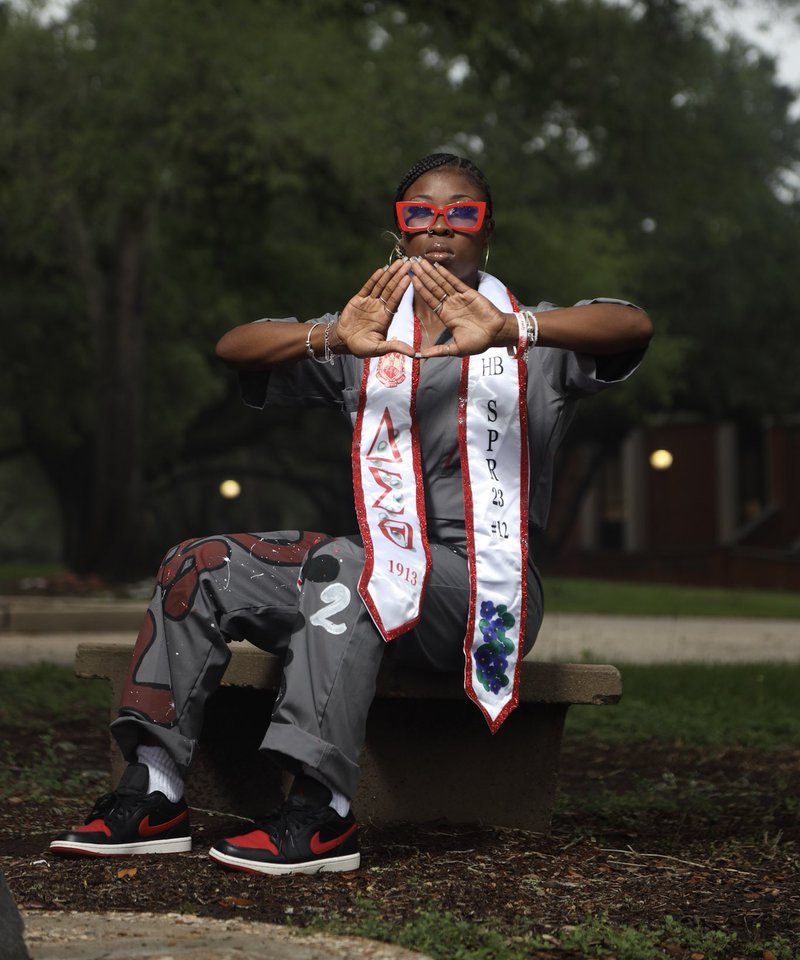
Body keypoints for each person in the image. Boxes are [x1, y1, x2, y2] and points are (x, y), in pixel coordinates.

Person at [50, 152, 653, 875]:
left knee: (349, 565)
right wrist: (329, 337)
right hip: (371, 568)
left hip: (480, 589)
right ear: (399, 233)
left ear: (487, 231)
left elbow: (632, 324)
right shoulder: (367, 337)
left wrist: (514, 328)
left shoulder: (534, 344)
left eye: (461, 213)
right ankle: (153, 792)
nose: (439, 227)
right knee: (199, 564)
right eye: (419, 213)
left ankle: (321, 812)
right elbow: (235, 347)